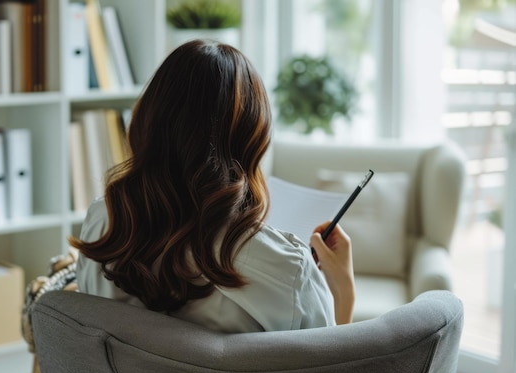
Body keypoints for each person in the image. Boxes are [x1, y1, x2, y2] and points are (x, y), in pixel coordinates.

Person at [69, 39, 355, 332]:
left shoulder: (102, 223)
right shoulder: (290, 271)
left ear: (148, 121)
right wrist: (343, 291)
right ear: (251, 142)